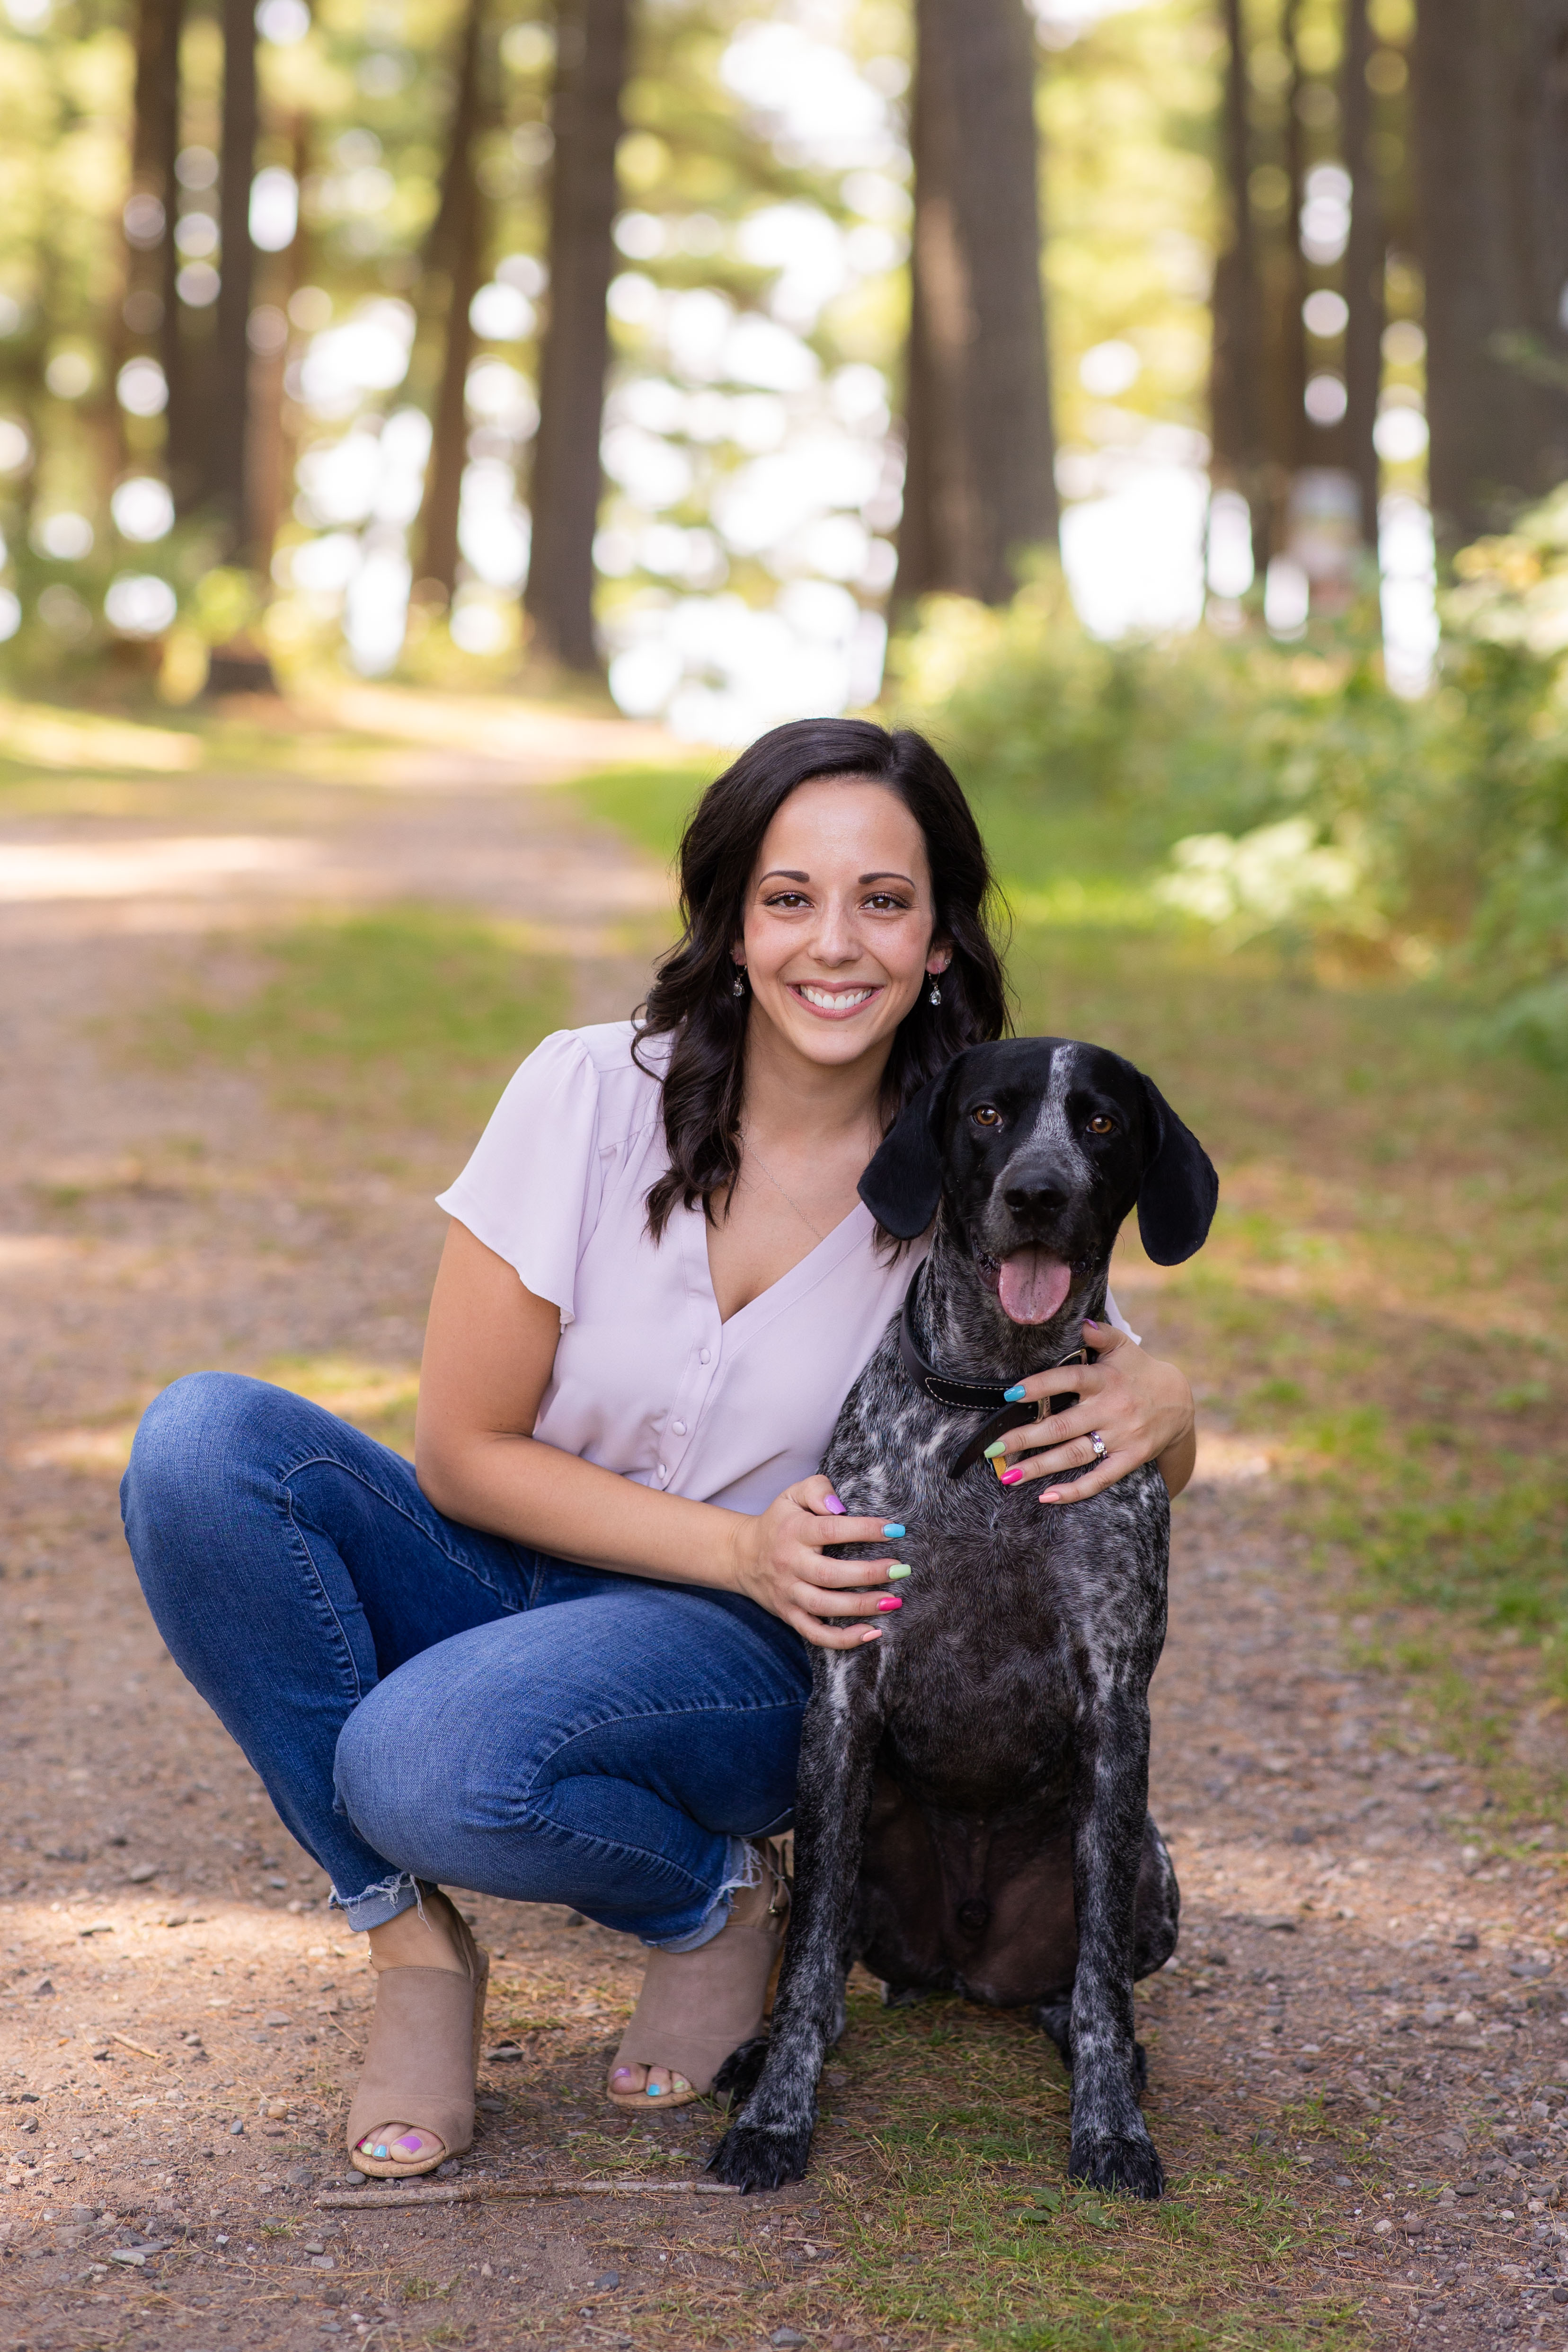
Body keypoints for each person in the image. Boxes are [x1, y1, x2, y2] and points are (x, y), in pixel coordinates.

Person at [121, 717, 1197, 2181]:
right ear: (732, 922)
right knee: (202, 1443)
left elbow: (1098, 1421)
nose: (836, 942)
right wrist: (731, 1535)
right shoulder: (584, 1090)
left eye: (882, 900)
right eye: (787, 896)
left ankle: (715, 1906)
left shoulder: (968, 1153)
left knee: (427, 1760)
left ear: (938, 934)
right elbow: (459, 1449)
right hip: (528, 1563)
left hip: (749, 1652)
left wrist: (1171, 1413)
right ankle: (409, 1948)